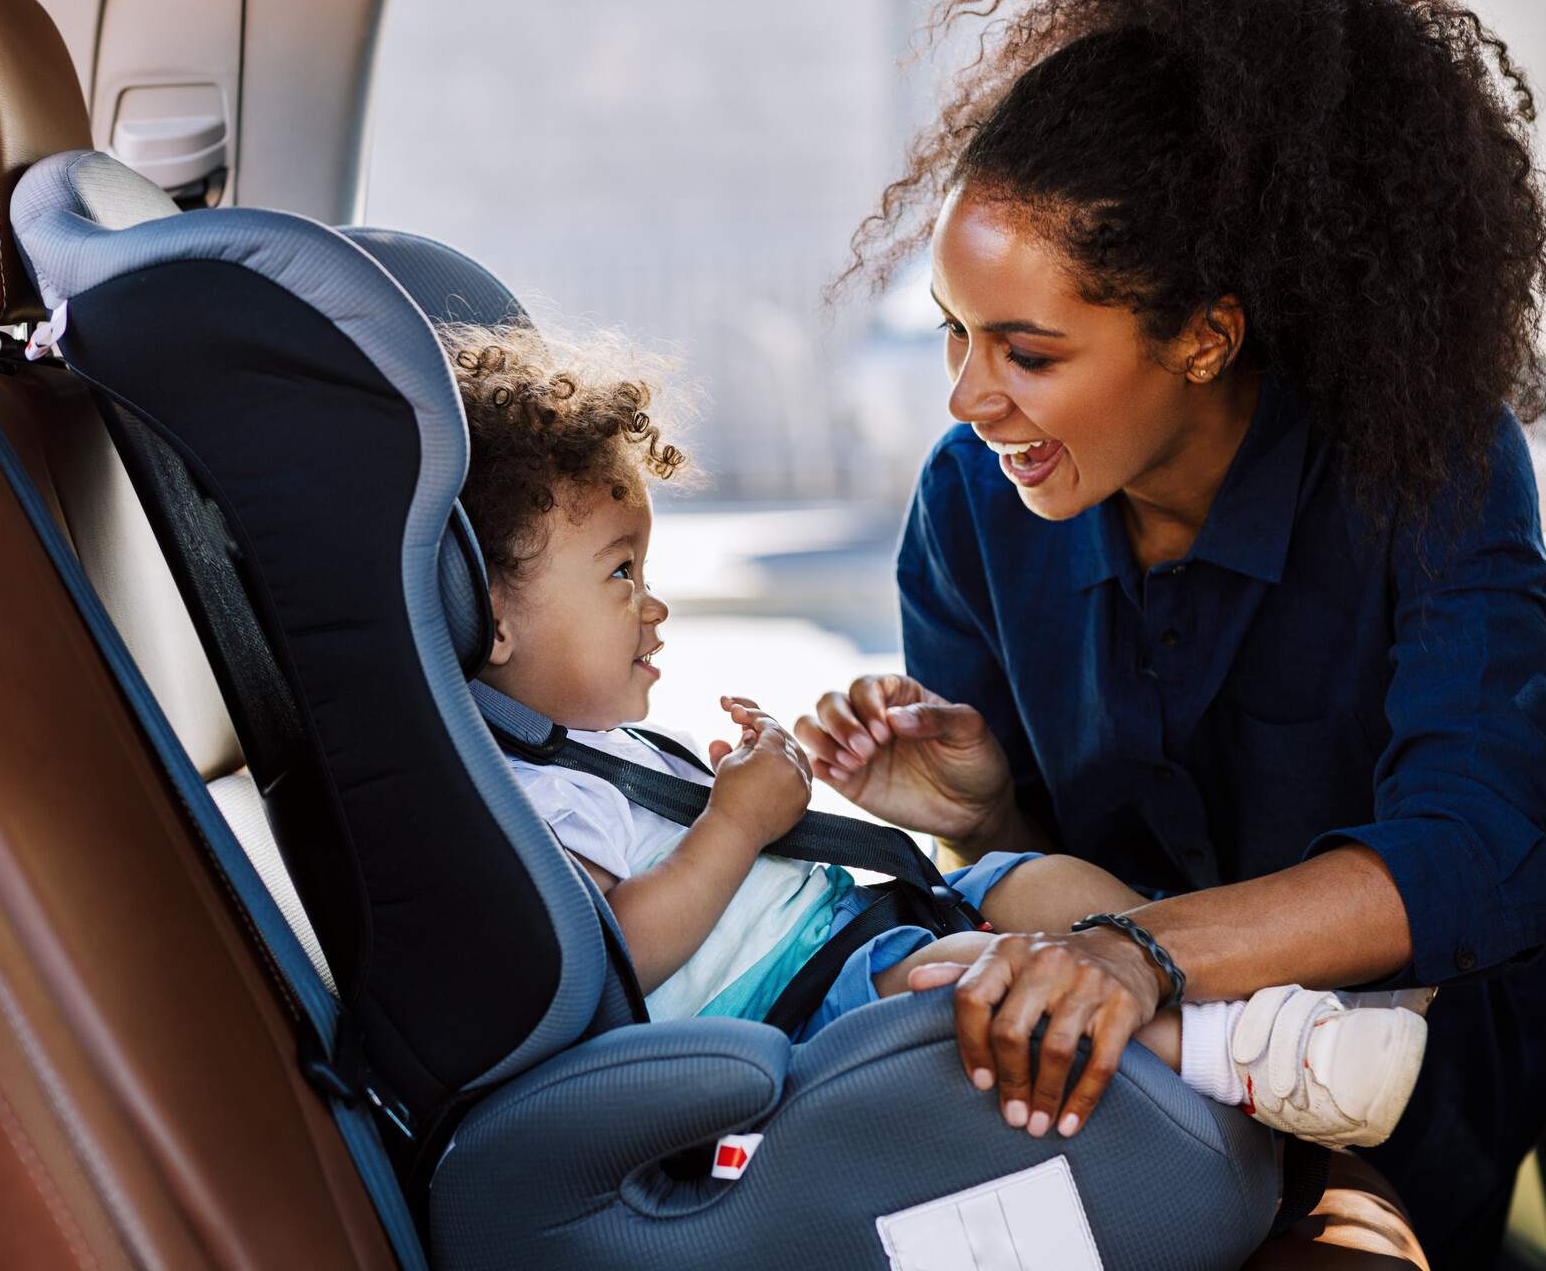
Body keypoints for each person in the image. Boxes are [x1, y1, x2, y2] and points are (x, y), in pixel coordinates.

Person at [800, 0, 1546, 1266]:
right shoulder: (972, 505)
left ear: (1207, 337)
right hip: (1123, 1067)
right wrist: (985, 816)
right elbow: (1038, 888)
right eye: (953, 334)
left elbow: (1479, 849)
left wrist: (1137, 953)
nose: (967, 400)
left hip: (1388, 1080)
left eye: (1027, 353)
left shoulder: (1429, 465)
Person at [445, 318, 1427, 1150]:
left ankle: (1245, 1004)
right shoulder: (521, 797)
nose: (652, 608)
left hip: (851, 931)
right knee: (967, 980)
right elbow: (618, 953)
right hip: (790, 1012)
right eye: (621, 575)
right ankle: (1246, 1062)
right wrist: (734, 825)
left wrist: (745, 788)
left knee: (1029, 879)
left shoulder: (598, 752)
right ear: (489, 616)